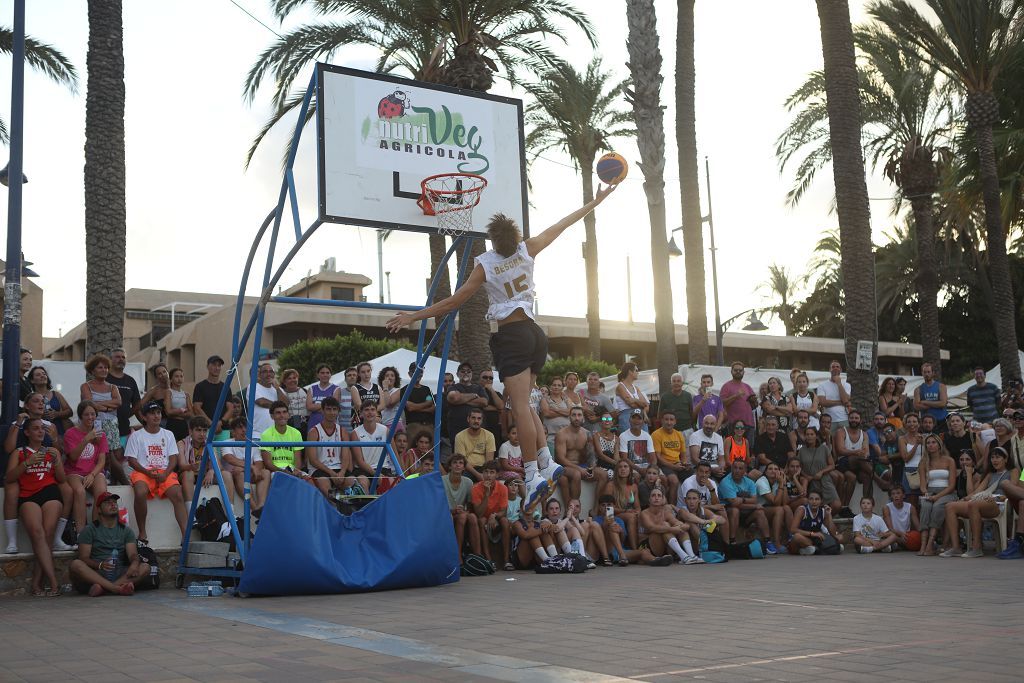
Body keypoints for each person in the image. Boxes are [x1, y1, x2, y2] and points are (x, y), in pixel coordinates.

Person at [386, 188, 616, 509]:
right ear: (516, 238)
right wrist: (596, 201)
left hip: (512, 336)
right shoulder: (527, 249)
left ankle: (533, 474)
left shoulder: (486, 264)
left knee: (518, 408)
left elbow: (453, 302)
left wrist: (413, 315)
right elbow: (562, 224)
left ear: (494, 242)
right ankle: (547, 461)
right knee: (527, 405)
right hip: (536, 334)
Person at [5, 418, 66, 595]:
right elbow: (9, 477)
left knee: (47, 535)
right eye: (36, 429)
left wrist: (57, 462)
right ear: (27, 433)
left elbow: (61, 479)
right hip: (28, 495)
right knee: (38, 534)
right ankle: (52, 581)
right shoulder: (20, 452)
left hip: (50, 492)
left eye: (42, 429)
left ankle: (39, 582)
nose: (40, 432)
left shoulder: (52, 450)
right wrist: (27, 463)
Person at [4, 393, 66, 554]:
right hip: (22, 469)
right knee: (11, 490)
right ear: (26, 405)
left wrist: (53, 439)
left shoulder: (50, 425)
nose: (40, 404)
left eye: (42, 401)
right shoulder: (17, 424)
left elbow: (58, 451)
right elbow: (8, 449)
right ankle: (12, 541)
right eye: (35, 401)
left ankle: (58, 537)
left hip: (46, 470)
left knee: (68, 490)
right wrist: (18, 423)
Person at [124, 402, 188, 545]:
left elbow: (173, 458)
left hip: (164, 472)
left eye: (158, 413)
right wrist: (147, 471)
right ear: (144, 417)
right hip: (143, 471)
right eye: (152, 413)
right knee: (140, 492)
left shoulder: (168, 434)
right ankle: (142, 532)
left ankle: (185, 535)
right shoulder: (136, 436)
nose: (156, 416)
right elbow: (132, 461)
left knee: (178, 494)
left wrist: (165, 473)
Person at [941, 447, 1018, 557]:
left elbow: (1012, 491)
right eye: (992, 457)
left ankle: (976, 547)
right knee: (950, 506)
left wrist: (996, 498)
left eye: (998, 457)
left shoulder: (1013, 471)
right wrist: (965, 499)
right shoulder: (990, 474)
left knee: (974, 504)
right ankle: (956, 547)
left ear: (1005, 459)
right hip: (983, 501)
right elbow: (977, 492)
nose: (994, 460)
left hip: (1000, 503)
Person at [69, 492, 150, 596]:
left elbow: (133, 554)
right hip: (97, 572)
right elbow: (84, 558)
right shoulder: (90, 529)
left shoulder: (126, 530)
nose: (113, 505)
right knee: (76, 565)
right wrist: (100, 565)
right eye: (107, 503)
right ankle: (116, 588)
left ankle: (106, 588)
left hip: (119, 572)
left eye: (115, 502)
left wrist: (134, 564)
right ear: (99, 509)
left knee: (145, 567)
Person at [63, 401, 109, 533]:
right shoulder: (70, 433)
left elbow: (101, 461)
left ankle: (95, 530)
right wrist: (86, 439)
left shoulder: (101, 434)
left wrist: (92, 475)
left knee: (102, 492)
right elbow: (72, 457)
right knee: (79, 492)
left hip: (93, 471)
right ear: (80, 416)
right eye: (86, 414)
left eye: (93, 414)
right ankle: (81, 533)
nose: (90, 417)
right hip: (74, 471)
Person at [718, 459, 774, 551]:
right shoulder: (726, 482)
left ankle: (768, 541)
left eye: (740, 468)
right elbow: (734, 504)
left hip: (745, 513)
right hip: (729, 513)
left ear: (745, 471)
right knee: (735, 510)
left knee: (759, 512)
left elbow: (754, 500)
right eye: (735, 468)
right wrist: (753, 505)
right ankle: (732, 541)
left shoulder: (749, 482)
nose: (737, 471)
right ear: (731, 469)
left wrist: (742, 499)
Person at [917, 434, 957, 556]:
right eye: (928, 443)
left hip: (947, 492)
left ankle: (930, 543)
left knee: (937, 506)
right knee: (925, 506)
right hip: (930, 491)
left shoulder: (949, 460)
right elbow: (923, 485)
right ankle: (923, 545)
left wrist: (936, 497)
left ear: (939, 445)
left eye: (933, 442)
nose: (931, 445)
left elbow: (952, 486)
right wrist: (926, 493)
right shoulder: (923, 462)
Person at [640, 487, 703, 564]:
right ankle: (684, 556)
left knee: (676, 527)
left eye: (659, 496)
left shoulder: (666, 512)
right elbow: (652, 528)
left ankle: (691, 555)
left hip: (666, 548)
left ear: (663, 499)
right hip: (649, 547)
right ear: (649, 499)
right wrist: (672, 529)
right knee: (666, 526)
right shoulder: (644, 513)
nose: (656, 498)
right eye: (653, 495)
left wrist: (681, 526)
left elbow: (679, 523)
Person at [107, 349, 141, 485]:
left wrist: (128, 413)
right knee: (111, 461)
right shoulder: (105, 379)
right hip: (107, 430)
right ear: (111, 360)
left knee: (121, 461)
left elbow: (137, 402)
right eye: (117, 357)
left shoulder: (130, 381)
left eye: (123, 357)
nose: (121, 359)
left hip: (124, 430)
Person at [220, 417, 268, 510]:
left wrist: (247, 468)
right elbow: (230, 459)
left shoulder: (253, 444)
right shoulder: (226, 442)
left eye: (246, 427)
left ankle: (261, 506)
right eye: (240, 427)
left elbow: (259, 464)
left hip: (247, 473)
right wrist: (251, 467)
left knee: (265, 472)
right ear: (233, 432)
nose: (244, 430)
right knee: (240, 474)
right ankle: (255, 509)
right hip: (232, 477)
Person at [80, 354, 122, 461]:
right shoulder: (86, 386)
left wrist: (99, 404)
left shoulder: (113, 387)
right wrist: (109, 407)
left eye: (106, 367)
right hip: (93, 424)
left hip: (111, 424)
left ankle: (111, 476)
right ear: (92, 370)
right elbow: (89, 405)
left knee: (113, 455)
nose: (104, 370)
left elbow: (118, 402)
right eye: (100, 367)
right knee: (96, 452)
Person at [554, 406, 598, 502]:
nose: (577, 418)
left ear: (583, 418)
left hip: (582, 466)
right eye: (574, 415)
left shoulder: (587, 433)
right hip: (564, 467)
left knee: (603, 475)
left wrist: (592, 467)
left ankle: (595, 509)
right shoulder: (562, 434)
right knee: (576, 474)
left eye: (579, 415)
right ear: (569, 417)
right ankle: (574, 507)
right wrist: (579, 469)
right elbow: (560, 458)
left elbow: (591, 455)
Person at [832, 409, 873, 515]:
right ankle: (876, 474)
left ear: (860, 420)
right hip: (843, 462)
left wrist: (861, 454)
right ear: (848, 419)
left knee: (865, 477)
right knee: (858, 459)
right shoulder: (841, 431)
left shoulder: (864, 434)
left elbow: (866, 452)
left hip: (859, 465)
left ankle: (866, 508)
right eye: (852, 418)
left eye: (856, 418)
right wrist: (856, 452)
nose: (854, 420)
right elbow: (840, 450)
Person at [443, 453, 481, 563]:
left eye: (460, 463)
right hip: (446, 513)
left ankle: (477, 556)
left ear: (464, 467)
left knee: (472, 517)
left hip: (461, 513)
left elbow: (469, 505)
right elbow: (439, 504)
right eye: (454, 463)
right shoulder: (441, 480)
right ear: (449, 466)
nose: (457, 465)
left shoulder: (468, 482)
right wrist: (452, 510)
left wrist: (463, 510)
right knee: (461, 517)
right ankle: (457, 554)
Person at [678, 462, 730, 542]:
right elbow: (690, 505)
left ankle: (726, 545)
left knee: (721, 511)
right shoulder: (688, 483)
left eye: (706, 472)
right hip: (686, 511)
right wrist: (711, 507)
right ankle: (704, 544)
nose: (703, 475)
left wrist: (711, 489)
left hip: (702, 510)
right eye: (701, 471)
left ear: (710, 473)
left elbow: (717, 504)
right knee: (695, 514)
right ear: (696, 472)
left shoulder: (711, 483)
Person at [796, 425, 842, 513]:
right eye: (807, 434)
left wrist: (821, 472)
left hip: (825, 480)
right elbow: (798, 467)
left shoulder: (823, 448)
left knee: (837, 505)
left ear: (816, 436)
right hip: (811, 483)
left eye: (811, 434)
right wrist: (807, 476)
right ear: (805, 436)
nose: (809, 436)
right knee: (815, 507)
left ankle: (826, 519)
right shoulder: (802, 451)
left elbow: (832, 465)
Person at [472, 460, 510, 567]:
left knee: (505, 521)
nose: (488, 475)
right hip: (483, 517)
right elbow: (479, 513)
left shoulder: (502, 488)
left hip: (496, 517)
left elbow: (504, 511)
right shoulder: (476, 488)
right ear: (482, 473)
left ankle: (507, 560)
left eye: (492, 472)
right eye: (486, 472)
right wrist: (486, 495)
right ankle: (488, 559)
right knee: (482, 520)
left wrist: (494, 515)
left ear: (497, 474)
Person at [352, 402, 396, 489]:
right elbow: (360, 462)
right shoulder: (355, 433)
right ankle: (365, 503)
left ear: (376, 412)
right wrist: (377, 475)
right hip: (363, 470)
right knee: (363, 482)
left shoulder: (385, 430)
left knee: (391, 483)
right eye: (366, 410)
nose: (370, 412)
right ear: (361, 413)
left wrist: (402, 473)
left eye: (372, 410)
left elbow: (394, 455)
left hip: (382, 468)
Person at [259, 401, 306, 482]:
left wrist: (296, 470)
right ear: (272, 416)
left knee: (310, 480)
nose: (282, 415)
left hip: (293, 470)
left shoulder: (296, 433)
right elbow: (268, 463)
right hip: (275, 471)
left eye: (284, 412)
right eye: (278, 413)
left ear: (288, 414)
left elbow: (298, 459)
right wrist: (285, 472)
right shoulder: (265, 434)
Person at [601, 459, 641, 549]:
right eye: (620, 467)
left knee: (641, 516)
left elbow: (637, 507)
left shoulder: (634, 486)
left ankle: (642, 546)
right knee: (631, 517)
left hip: (628, 513)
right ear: (616, 470)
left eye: (625, 467)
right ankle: (635, 549)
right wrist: (626, 511)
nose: (623, 469)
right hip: (612, 514)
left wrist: (638, 513)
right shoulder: (610, 485)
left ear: (630, 470)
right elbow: (607, 508)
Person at [788, 491, 842, 555]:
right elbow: (793, 530)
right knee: (797, 537)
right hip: (803, 539)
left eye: (817, 499)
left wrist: (829, 515)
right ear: (808, 500)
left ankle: (812, 549)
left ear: (821, 501)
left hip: (815, 540)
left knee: (840, 537)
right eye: (811, 499)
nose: (814, 502)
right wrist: (812, 534)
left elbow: (833, 533)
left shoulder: (823, 511)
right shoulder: (802, 510)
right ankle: (825, 549)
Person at [755, 461, 791, 554]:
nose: (773, 471)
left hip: (770, 509)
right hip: (757, 510)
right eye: (770, 469)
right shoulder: (761, 482)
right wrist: (780, 485)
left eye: (776, 469)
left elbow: (785, 502)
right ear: (765, 472)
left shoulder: (777, 481)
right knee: (779, 509)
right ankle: (776, 543)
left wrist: (784, 483)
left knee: (786, 508)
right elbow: (776, 502)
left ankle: (791, 537)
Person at [176, 416, 214, 503]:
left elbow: (219, 465)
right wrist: (191, 466)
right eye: (198, 430)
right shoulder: (181, 443)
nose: (202, 434)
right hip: (187, 475)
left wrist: (211, 471)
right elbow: (181, 466)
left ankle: (231, 511)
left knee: (226, 475)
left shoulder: (209, 443)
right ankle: (191, 512)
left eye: (204, 430)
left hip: (205, 475)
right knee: (188, 473)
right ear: (190, 431)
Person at [652, 411, 689, 499]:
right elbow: (658, 457)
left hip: (677, 464)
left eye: (671, 420)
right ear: (662, 421)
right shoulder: (656, 434)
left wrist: (684, 463)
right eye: (666, 419)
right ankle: (672, 507)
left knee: (693, 477)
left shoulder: (679, 434)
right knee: (674, 481)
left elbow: (683, 454)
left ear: (675, 421)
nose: (669, 422)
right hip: (664, 465)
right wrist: (673, 467)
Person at [453, 407, 496, 481]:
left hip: (484, 468)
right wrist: (478, 475)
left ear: (482, 421)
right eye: (473, 418)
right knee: (465, 480)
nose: (476, 421)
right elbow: (462, 460)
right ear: (468, 419)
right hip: (466, 468)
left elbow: (489, 461)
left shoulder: (489, 435)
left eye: (479, 418)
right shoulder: (459, 436)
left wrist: (485, 474)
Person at [27, 366, 72, 436]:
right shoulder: (31, 397)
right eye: (38, 375)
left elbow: (69, 412)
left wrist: (56, 414)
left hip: (60, 433)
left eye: (44, 374)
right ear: (32, 380)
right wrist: (40, 415)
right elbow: (29, 417)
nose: (42, 376)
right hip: (40, 434)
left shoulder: (56, 394)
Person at [720, 362, 757, 442]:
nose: (738, 372)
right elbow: (722, 403)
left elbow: (754, 406)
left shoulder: (747, 386)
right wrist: (736, 395)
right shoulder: (726, 386)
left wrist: (754, 401)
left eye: (740, 370)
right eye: (735, 370)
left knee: (749, 450)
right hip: (733, 425)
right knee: (733, 450)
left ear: (743, 372)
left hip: (749, 424)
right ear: (731, 371)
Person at [619, 408, 656, 482]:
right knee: (636, 477)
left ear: (643, 421)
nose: (636, 421)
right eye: (634, 418)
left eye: (639, 418)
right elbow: (624, 458)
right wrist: (639, 470)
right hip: (631, 468)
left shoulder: (647, 436)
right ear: (629, 420)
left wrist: (651, 469)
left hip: (647, 467)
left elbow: (653, 457)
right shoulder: (623, 436)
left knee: (663, 478)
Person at [687, 414, 726, 480]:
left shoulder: (719, 438)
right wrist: (710, 469)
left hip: (714, 467)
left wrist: (721, 468)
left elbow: (721, 459)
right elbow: (694, 459)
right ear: (702, 424)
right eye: (706, 423)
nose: (709, 426)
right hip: (699, 467)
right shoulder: (695, 436)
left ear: (716, 425)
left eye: (712, 424)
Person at [613, 362, 649, 433]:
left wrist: (634, 400)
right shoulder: (620, 386)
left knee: (643, 441)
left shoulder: (636, 388)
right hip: (626, 417)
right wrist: (639, 403)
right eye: (636, 370)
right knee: (628, 442)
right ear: (630, 372)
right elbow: (630, 404)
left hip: (640, 416)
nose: (638, 373)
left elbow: (645, 404)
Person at [252, 364, 287, 436]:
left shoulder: (279, 389)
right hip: (258, 433)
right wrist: (279, 406)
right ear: (259, 375)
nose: (268, 374)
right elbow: (262, 402)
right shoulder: (253, 386)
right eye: (265, 372)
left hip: (277, 433)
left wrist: (277, 388)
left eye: (271, 372)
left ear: (274, 374)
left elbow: (286, 404)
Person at [883, 485, 921, 551]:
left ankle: (894, 546)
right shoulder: (886, 508)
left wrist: (922, 537)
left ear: (903, 495)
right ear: (891, 496)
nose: (896, 496)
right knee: (889, 535)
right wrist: (901, 534)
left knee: (915, 538)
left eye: (898, 493)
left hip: (906, 535)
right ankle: (894, 545)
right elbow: (890, 528)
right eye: (893, 494)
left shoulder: (911, 507)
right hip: (893, 534)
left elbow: (918, 527)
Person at [914, 362, 948, 434]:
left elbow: (942, 403)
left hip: (941, 421)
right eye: (925, 372)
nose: (926, 374)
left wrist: (924, 402)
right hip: (926, 423)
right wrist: (936, 403)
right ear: (922, 373)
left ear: (933, 373)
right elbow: (916, 406)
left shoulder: (941, 386)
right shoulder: (918, 389)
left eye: (929, 372)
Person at [541, 376, 573, 452]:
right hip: (551, 436)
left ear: (562, 387)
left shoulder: (566, 399)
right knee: (552, 461)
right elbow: (547, 413)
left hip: (567, 435)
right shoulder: (545, 399)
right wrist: (564, 412)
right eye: (554, 385)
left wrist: (556, 409)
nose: (556, 387)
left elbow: (570, 412)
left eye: (559, 385)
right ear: (550, 386)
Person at [898, 413, 925, 505]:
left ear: (919, 424)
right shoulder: (902, 438)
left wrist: (923, 443)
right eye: (909, 422)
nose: (911, 424)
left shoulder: (924, 437)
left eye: (914, 421)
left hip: (923, 470)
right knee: (911, 501)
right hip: (909, 471)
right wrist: (917, 444)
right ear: (905, 424)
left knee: (923, 499)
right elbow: (905, 458)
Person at [817, 360, 851, 432]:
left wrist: (839, 383)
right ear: (830, 370)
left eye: (837, 367)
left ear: (841, 370)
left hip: (844, 419)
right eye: (833, 367)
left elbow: (845, 400)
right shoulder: (822, 385)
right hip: (828, 420)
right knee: (830, 441)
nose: (835, 368)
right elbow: (822, 402)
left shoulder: (846, 385)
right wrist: (840, 402)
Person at [306, 364, 341, 432]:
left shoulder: (336, 389)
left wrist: (316, 407)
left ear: (331, 375)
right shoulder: (311, 389)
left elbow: (333, 407)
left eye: (327, 373)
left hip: (330, 425)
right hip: (313, 423)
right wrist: (326, 405)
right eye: (322, 373)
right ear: (318, 375)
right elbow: (309, 407)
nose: (325, 375)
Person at [404, 362, 435, 438]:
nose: (418, 374)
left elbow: (433, 407)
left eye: (420, 371)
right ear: (409, 373)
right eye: (415, 371)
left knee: (429, 449)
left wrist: (416, 407)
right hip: (413, 426)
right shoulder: (405, 390)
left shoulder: (426, 389)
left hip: (428, 425)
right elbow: (410, 408)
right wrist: (426, 405)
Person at [192, 355, 226, 424]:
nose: (217, 368)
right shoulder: (200, 386)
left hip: (223, 429)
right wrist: (211, 423)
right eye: (214, 365)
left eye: (219, 365)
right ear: (207, 366)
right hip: (205, 429)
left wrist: (221, 422)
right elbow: (197, 408)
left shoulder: (225, 387)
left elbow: (230, 408)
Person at [349, 362, 382, 426]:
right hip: (361, 421)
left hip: (376, 420)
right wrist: (372, 412)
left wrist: (373, 414)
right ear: (358, 374)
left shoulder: (377, 387)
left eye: (368, 371)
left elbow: (383, 404)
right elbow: (359, 405)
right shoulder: (355, 387)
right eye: (363, 372)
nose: (366, 374)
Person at [591, 408, 620, 481]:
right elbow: (600, 455)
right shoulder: (596, 436)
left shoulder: (616, 438)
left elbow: (616, 456)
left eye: (609, 418)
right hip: (600, 465)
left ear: (612, 422)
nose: (607, 420)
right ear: (600, 423)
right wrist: (615, 463)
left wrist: (618, 464)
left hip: (612, 465)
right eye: (604, 418)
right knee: (611, 475)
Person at [280, 369, 309, 434]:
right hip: (288, 425)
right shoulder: (281, 393)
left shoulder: (305, 391)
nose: (292, 380)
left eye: (294, 378)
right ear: (284, 381)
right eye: (289, 378)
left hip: (305, 425)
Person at [375, 366, 403, 431]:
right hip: (381, 425)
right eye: (387, 375)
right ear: (382, 378)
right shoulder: (379, 392)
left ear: (395, 379)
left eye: (392, 376)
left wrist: (385, 387)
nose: (389, 377)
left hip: (394, 424)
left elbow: (388, 404)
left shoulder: (398, 390)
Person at [479, 369, 503, 443]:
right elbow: (482, 405)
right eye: (485, 377)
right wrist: (496, 409)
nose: (488, 379)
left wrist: (491, 390)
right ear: (480, 379)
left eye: (490, 378)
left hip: (494, 430)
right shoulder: (475, 391)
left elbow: (501, 406)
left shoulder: (496, 394)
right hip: (479, 429)